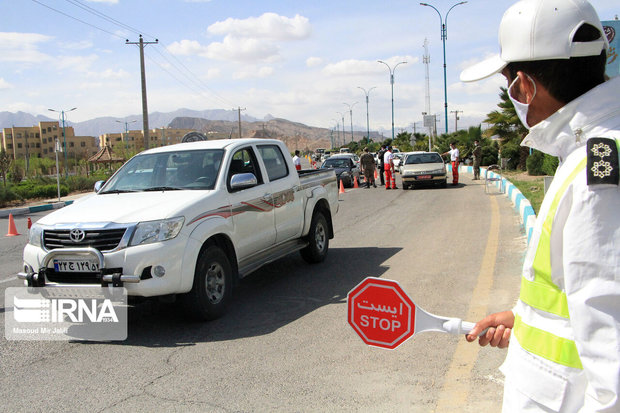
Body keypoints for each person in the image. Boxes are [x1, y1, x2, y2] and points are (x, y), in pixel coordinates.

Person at [460, 0, 620, 411]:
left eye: (507, 82)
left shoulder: (596, 171)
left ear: (524, 87)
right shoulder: (592, 151)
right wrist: (526, 320)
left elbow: (611, 339)